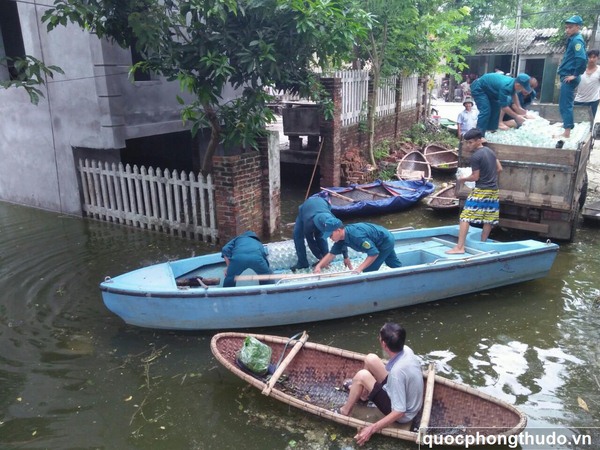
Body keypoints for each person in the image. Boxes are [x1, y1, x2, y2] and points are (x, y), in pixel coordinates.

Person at [337, 323, 423, 446]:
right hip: (402, 392)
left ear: (384, 344)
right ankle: (363, 395)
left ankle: (345, 411)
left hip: (403, 414)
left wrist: (371, 429)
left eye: (380, 337)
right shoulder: (407, 350)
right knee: (370, 358)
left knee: (362, 375)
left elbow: (399, 411)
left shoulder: (397, 373)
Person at [447, 128, 503, 254]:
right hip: (493, 190)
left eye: (470, 142)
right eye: (467, 142)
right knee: (488, 218)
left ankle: (460, 247)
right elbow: (499, 169)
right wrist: (488, 175)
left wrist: (462, 179)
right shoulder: (490, 152)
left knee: (465, 217)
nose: (468, 145)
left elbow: (475, 177)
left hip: (481, 190)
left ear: (479, 141)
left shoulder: (476, 156)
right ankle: (482, 243)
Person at [313, 221, 401, 274]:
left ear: (338, 231)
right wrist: (319, 266)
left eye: (331, 235)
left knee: (368, 271)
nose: (330, 238)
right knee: (393, 263)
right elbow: (332, 254)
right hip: (381, 237)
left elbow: (374, 253)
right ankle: (403, 275)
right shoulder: (341, 239)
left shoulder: (356, 236)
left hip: (384, 241)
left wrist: (359, 269)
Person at [556, 15, 588, 138]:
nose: (567, 30)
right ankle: (566, 125)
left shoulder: (577, 40)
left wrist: (575, 75)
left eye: (570, 27)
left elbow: (581, 59)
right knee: (564, 103)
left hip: (569, 77)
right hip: (566, 76)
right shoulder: (572, 39)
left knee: (565, 104)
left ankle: (567, 132)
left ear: (578, 27)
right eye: (567, 28)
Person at [291, 196, 336, 271]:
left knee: (320, 235)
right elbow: (310, 242)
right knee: (297, 235)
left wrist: (345, 256)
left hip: (323, 205)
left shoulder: (332, 219)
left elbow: (342, 236)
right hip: (305, 211)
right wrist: (320, 257)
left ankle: (326, 258)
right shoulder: (308, 223)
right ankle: (303, 263)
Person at [574, 49, 600, 121]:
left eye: (594, 57)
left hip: (594, 102)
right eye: (589, 57)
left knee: (592, 123)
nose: (591, 59)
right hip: (579, 101)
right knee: (577, 122)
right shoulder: (580, 69)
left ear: (598, 58)